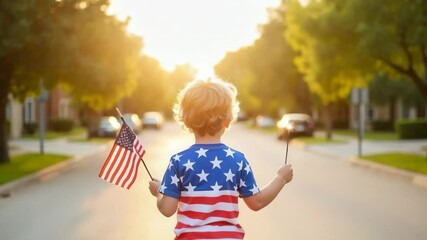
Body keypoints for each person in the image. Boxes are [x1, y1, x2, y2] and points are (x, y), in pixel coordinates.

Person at [149, 77, 293, 239]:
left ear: (186, 120)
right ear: (228, 120)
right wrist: (281, 178)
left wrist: (159, 192)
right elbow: (257, 202)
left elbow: (167, 210)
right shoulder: (237, 160)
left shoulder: (178, 161)